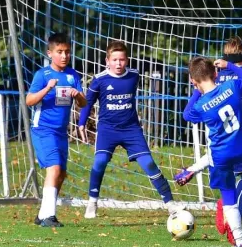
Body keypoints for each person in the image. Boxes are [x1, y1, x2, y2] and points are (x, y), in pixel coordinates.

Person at [77, 40, 180, 218]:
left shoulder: (134, 75)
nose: (118, 63)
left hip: (131, 129)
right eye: (115, 60)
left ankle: (170, 204)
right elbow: (88, 102)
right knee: (99, 161)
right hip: (108, 129)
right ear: (107, 60)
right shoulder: (100, 80)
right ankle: (92, 202)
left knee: (148, 163)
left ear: (127, 60)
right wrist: (81, 123)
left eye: (122, 60)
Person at [176, 37, 242, 235]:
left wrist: (197, 89)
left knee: (234, 174)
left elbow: (188, 114)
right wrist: (233, 67)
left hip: (217, 133)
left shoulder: (217, 79)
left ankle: (193, 170)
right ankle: (233, 222)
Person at [26, 32, 87, 227]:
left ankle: (42, 214)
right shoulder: (42, 75)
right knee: (54, 168)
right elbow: (29, 101)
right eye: (59, 52)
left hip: (61, 132)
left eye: (67, 52)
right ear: (50, 53)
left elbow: (83, 104)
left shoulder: (72, 75)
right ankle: (50, 217)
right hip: (43, 130)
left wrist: (78, 95)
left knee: (60, 174)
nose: (64, 56)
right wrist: (46, 89)